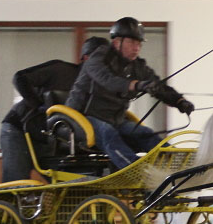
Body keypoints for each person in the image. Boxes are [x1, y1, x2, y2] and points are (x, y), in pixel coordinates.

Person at [66, 17, 194, 171]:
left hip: (115, 120)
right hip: (82, 118)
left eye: (139, 43)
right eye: (132, 42)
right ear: (116, 42)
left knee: (145, 134)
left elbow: (157, 85)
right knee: (108, 134)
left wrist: (179, 101)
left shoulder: (137, 66)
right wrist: (137, 85)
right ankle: (137, 172)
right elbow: (108, 80)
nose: (137, 48)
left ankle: (180, 166)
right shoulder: (99, 57)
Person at [0, 36, 109, 182]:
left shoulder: (95, 91)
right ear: (86, 58)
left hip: (46, 138)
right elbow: (20, 78)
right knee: (16, 182)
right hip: (18, 129)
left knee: (64, 184)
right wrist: (39, 106)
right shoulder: (60, 70)